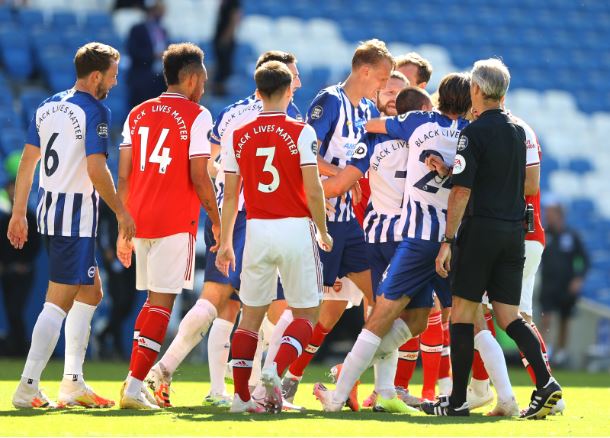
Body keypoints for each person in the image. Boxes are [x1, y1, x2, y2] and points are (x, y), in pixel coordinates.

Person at [145, 50, 303, 408]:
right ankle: (262, 390)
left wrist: (229, 176)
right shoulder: (286, 115)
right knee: (275, 308)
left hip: (222, 212)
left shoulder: (231, 112)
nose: (297, 83)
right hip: (257, 217)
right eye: (293, 76)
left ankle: (200, 383)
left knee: (222, 304)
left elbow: (211, 161)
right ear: (276, 78)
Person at [313, 72, 471, 413]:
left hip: (403, 236)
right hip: (443, 239)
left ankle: (350, 384)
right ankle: (482, 392)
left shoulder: (414, 124)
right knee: (448, 316)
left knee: (389, 313)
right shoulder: (467, 135)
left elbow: (369, 132)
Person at [422, 58, 562, 419]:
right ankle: (547, 383)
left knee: (463, 315)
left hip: (480, 230)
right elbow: (527, 184)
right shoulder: (520, 130)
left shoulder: (475, 131)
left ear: (478, 91)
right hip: (513, 232)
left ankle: (456, 402)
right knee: (509, 317)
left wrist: (448, 239)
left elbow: (462, 193)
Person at [8, 42, 132, 409]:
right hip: (74, 219)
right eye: (112, 73)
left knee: (91, 292)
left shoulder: (47, 106)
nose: (115, 79)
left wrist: (19, 212)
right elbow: (96, 169)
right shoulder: (96, 110)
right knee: (58, 302)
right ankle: (27, 386)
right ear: (96, 76)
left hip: (50, 212)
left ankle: (72, 382)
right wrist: (122, 212)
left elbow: (27, 163)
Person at [280, 40, 394, 407]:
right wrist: (343, 176)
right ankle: (273, 376)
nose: (384, 83)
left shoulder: (364, 111)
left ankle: (356, 382)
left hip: (349, 224)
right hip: (321, 220)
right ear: (364, 71)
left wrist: (353, 182)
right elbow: (304, 149)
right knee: (307, 308)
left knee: (380, 302)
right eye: (382, 76)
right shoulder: (329, 101)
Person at [215, 60, 332, 414]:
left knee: (249, 316)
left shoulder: (239, 132)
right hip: (295, 228)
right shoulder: (301, 131)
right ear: (288, 90)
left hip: (256, 229)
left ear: (258, 90)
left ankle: (240, 399)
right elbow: (314, 191)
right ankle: (274, 370)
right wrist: (323, 230)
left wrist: (223, 241)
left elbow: (232, 195)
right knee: (306, 315)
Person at [116, 42, 220, 410]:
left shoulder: (137, 113)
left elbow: (124, 177)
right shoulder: (198, 115)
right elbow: (199, 176)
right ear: (190, 77)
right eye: (203, 79)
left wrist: (122, 226)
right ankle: (132, 388)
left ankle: (134, 380)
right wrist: (218, 221)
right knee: (162, 304)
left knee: (151, 303)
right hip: (176, 220)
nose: (205, 86)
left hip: (139, 220)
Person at [322, 86, 434, 412]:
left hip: (375, 236)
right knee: (409, 319)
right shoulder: (423, 137)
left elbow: (342, 184)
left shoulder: (370, 138)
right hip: (409, 238)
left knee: (395, 315)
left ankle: (382, 390)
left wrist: (307, 194)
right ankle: (355, 382)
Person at [0, 153, 41, 357]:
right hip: (7, 272)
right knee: (10, 311)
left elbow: (34, 245)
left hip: (23, 272)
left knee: (16, 310)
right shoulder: (3, 217)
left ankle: (22, 349)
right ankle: (16, 348)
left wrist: (23, 263)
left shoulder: (30, 217)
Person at [540, 200, 589, 367]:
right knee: (546, 317)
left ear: (559, 215)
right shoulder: (544, 234)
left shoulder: (571, 235)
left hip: (566, 285)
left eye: (551, 213)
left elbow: (584, 260)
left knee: (564, 319)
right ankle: (544, 350)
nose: (548, 216)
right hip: (548, 284)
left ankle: (561, 352)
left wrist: (578, 279)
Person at [95, 199, 137, 360]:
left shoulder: (136, 197)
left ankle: (104, 333)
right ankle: (118, 347)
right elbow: (102, 226)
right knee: (120, 301)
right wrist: (106, 249)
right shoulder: (110, 199)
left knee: (128, 304)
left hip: (133, 258)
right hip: (115, 257)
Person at [126, 0, 168, 108]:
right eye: (158, 11)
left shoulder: (163, 30)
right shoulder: (137, 29)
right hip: (142, 78)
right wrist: (154, 55)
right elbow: (133, 51)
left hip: (160, 79)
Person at [212, 0, 242, 96]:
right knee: (219, 65)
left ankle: (221, 93)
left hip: (225, 38)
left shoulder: (233, 2)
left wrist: (227, 36)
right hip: (220, 36)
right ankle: (218, 92)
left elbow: (235, 19)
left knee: (224, 68)